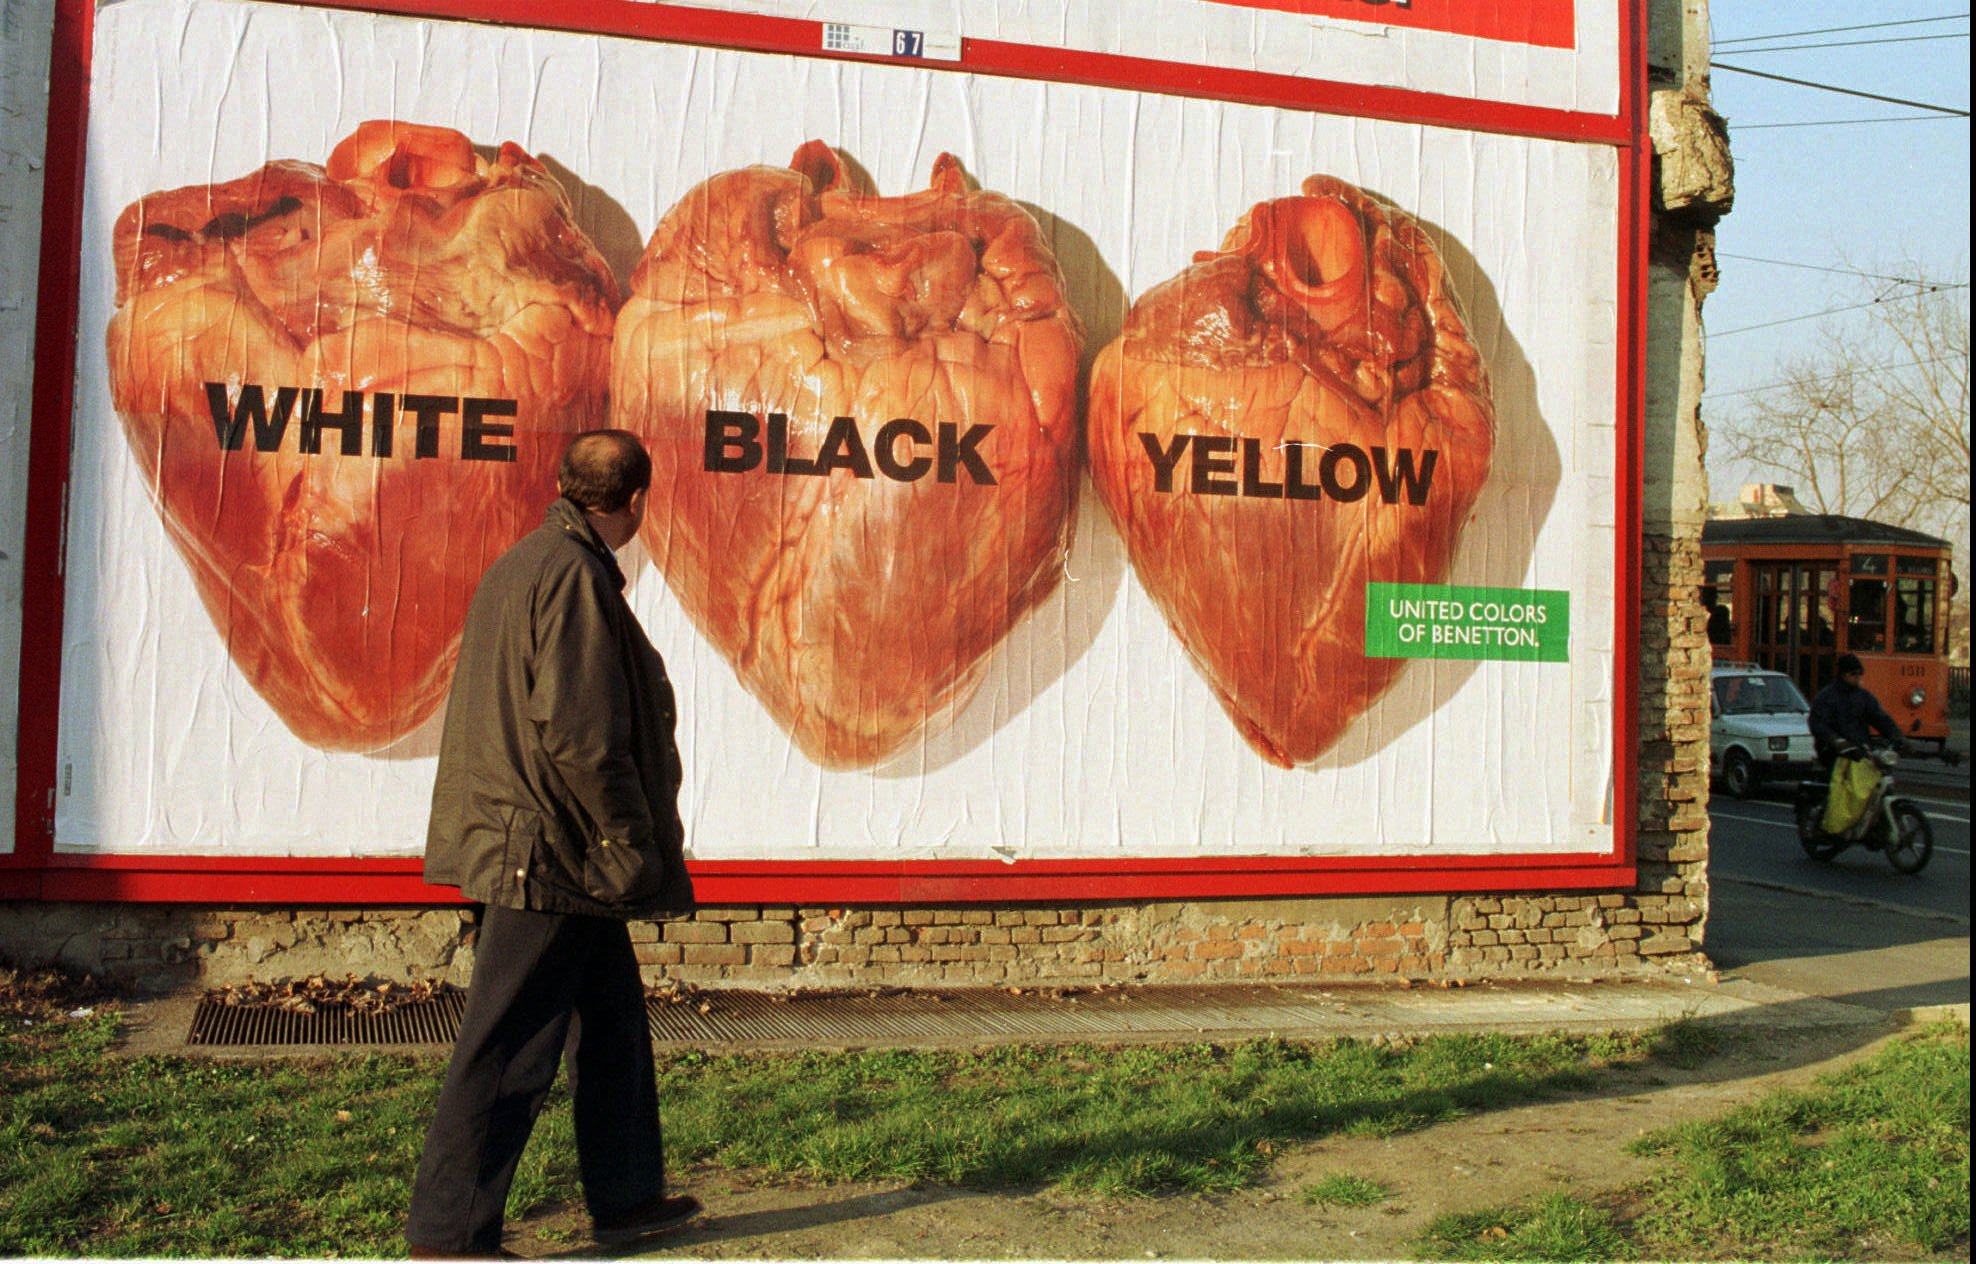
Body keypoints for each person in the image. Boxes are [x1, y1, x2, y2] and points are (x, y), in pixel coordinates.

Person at [407, 430, 700, 1258]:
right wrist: (625, 839)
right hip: (553, 851)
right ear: (637, 500)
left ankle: (628, 1196)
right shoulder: (572, 577)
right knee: (508, 1045)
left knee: (612, 1025)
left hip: (548, 846)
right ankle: (450, 1234)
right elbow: (580, 734)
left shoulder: (526, 563)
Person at [1808, 653, 1903, 770]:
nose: (1857, 677)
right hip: (1834, 754)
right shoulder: (1826, 697)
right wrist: (1836, 741)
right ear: (1842, 675)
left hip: (1860, 751)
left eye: (1859, 673)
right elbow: (1818, 724)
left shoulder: (1864, 697)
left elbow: (1879, 718)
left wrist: (1896, 735)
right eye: (1853, 674)